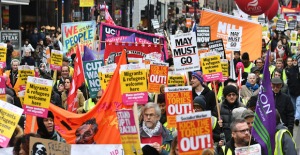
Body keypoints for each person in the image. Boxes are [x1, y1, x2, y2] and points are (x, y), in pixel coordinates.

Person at [286, 55, 300, 126]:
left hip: (299, 91)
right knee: (294, 105)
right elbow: (288, 81)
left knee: (298, 104)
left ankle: (297, 118)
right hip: (292, 91)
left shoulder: (299, 69)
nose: (294, 61)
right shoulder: (289, 70)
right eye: (293, 60)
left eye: (295, 60)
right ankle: (295, 117)